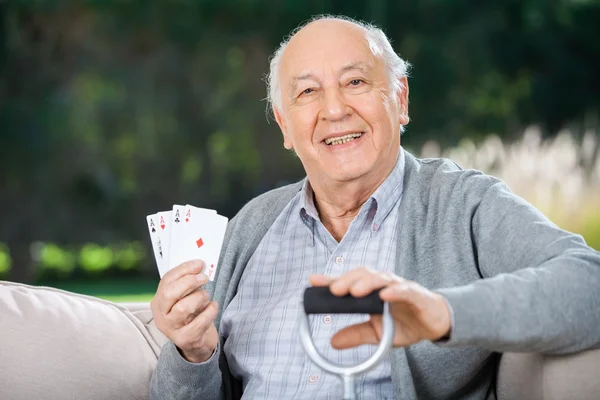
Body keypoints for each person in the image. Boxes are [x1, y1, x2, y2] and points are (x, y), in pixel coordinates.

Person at [149, 15, 600, 399]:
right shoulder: (252, 226)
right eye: (307, 92)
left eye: (356, 82)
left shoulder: (463, 205)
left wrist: (441, 313)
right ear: (286, 127)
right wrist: (193, 354)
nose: (335, 109)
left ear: (400, 100)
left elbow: (589, 285)